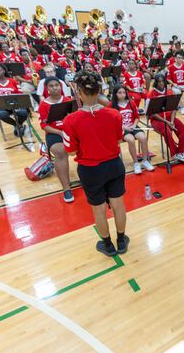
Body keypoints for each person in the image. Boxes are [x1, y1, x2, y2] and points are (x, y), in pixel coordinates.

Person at [63, 70, 129, 256]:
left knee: (99, 209)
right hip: (114, 165)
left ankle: (108, 246)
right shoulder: (114, 114)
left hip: (90, 169)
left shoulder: (70, 120)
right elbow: (119, 139)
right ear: (99, 90)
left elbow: (70, 150)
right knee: (118, 205)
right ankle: (122, 241)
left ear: (79, 92)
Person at [37, 77, 74, 203]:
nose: (54, 88)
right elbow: (44, 126)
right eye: (51, 86)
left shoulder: (68, 101)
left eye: (56, 85)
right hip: (55, 133)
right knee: (60, 152)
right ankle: (66, 188)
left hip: (70, 131)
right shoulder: (44, 105)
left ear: (61, 86)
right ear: (47, 89)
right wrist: (60, 132)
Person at [109, 84, 154, 174]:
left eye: (124, 92)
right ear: (115, 94)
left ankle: (145, 161)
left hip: (132, 125)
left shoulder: (131, 102)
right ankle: (136, 163)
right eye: (119, 93)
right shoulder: (111, 105)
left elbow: (137, 117)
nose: (122, 94)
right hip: (121, 128)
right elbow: (110, 121)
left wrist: (134, 125)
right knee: (131, 139)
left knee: (143, 138)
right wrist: (123, 127)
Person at [147, 73, 184, 163]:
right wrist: (167, 122)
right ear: (156, 83)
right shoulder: (151, 94)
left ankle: (182, 151)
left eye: (163, 81)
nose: (161, 84)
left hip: (170, 118)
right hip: (157, 119)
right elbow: (152, 113)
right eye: (159, 82)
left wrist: (172, 121)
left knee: (183, 128)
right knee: (167, 131)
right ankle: (175, 154)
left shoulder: (169, 92)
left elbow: (174, 108)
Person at [0, 63, 28, 137]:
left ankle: (19, 125)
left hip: (16, 104)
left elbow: (20, 93)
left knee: (23, 113)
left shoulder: (13, 81)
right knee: (2, 115)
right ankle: (17, 125)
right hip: (2, 106)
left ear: (4, 71)